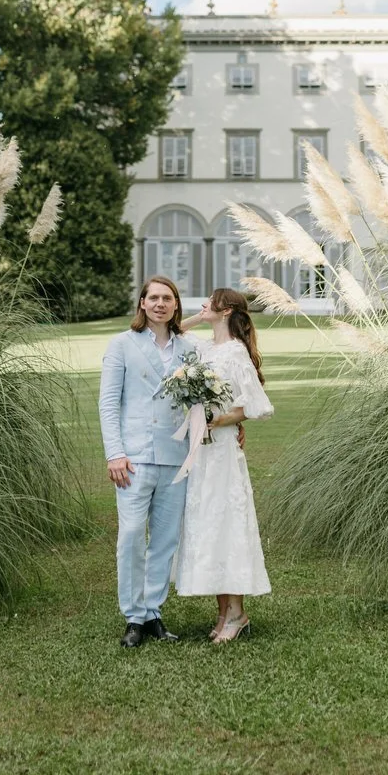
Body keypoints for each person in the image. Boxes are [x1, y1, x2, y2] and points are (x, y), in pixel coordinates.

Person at [98, 276, 195, 649]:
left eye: (166, 298)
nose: (159, 303)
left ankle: (153, 612)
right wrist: (114, 453)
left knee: (165, 540)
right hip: (134, 457)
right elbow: (109, 403)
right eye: (152, 297)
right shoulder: (122, 344)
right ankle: (133, 616)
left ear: (175, 306)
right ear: (141, 303)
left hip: (174, 456)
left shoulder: (187, 349)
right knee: (131, 537)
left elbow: (198, 401)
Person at [174, 287, 273, 643]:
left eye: (210, 302)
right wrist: (202, 317)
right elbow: (175, 331)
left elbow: (255, 405)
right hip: (201, 451)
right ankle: (223, 613)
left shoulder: (235, 353)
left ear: (227, 310)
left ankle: (237, 612)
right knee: (208, 523)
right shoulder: (206, 348)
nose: (203, 305)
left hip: (222, 449)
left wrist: (220, 420)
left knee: (227, 523)